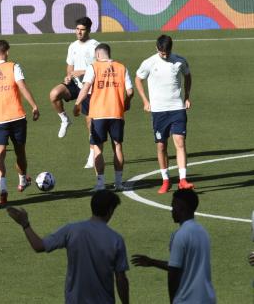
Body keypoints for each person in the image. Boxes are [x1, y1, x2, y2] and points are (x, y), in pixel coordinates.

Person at [7, 190, 130, 304]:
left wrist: (25, 224)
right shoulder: (116, 240)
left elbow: (39, 246)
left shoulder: (72, 230)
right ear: (110, 211)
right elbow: (121, 279)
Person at [0, 39, 40, 204]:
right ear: (7, 52)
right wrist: (34, 106)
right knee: (20, 152)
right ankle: (22, 180)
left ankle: (3, 188)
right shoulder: (13, 66)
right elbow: (22, 86)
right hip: (17, 117)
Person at [132, 189, 216, 304]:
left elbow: (174, 272)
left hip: (187, 300)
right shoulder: (203, 232)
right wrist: (152, 262)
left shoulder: (180, 235)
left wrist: (172, 301)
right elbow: (183, 266)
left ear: (182, 207)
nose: (171, 211)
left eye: (173, 207)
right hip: (207, 299)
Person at [135, 35, 194, 193]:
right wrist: (145, 101)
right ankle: (166, 180)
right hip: (159, 111)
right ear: (157, 49)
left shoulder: (180, 60)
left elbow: (187, 76)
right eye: (162, 53)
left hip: (177, 108)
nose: (165, 55)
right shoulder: (149, 63)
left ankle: (183, 180)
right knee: (161, 146)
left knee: (180, 142)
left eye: (167, 52)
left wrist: (187, 96)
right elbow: (138, 79)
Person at [74, 43, 134, 191]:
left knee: (98, 149)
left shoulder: (93, 67)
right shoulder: (122, 67)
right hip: (116, 113)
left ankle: (100, 184)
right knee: (118, 147)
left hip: (99, 113)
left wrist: (77, 104)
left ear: (98, 55)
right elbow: (130, 91)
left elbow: (86, 87)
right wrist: (126, 102)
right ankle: (119, 183)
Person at [49, 16, 100, 169]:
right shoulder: (72, 46)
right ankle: (65, 119)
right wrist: (68, 75)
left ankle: (92, 155)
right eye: (77, 29)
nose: (79, 32)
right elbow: (70, 66)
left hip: (89, 86)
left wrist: (81, 71)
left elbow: (100, 67)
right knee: (54, 94)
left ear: (89, 30)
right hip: (75, 84)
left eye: (82, 30)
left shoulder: (95, 46)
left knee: (89, 122)